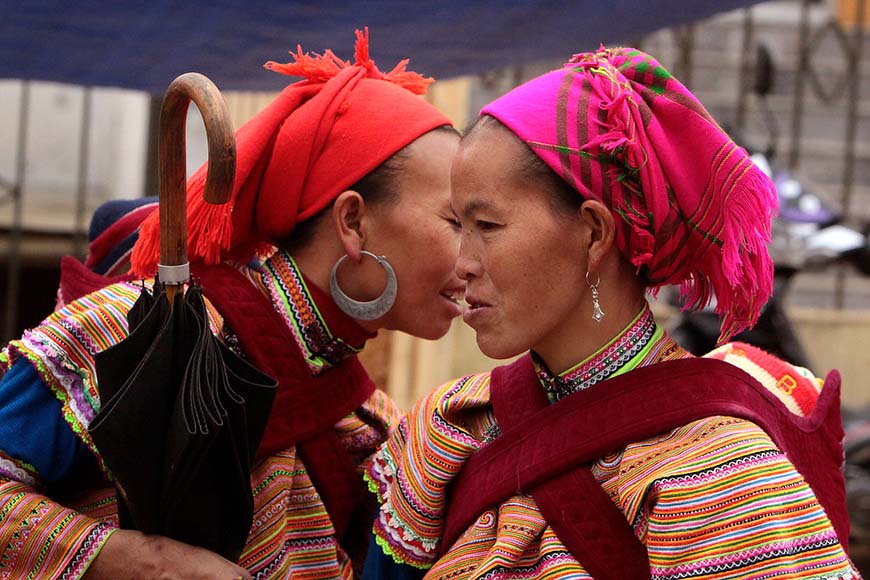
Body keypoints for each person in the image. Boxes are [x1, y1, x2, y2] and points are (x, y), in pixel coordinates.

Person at [363, 47, 861, 579]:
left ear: (594, 232)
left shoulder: (722, 475)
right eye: (458, 225)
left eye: (487, 226)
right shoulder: (449, 428)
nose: (461, 264)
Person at [0, 29, 464, 580]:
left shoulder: (375, 427)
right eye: (458, 222)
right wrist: (137, 561)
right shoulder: (137, 329)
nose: (478, 255)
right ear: (354, 221)